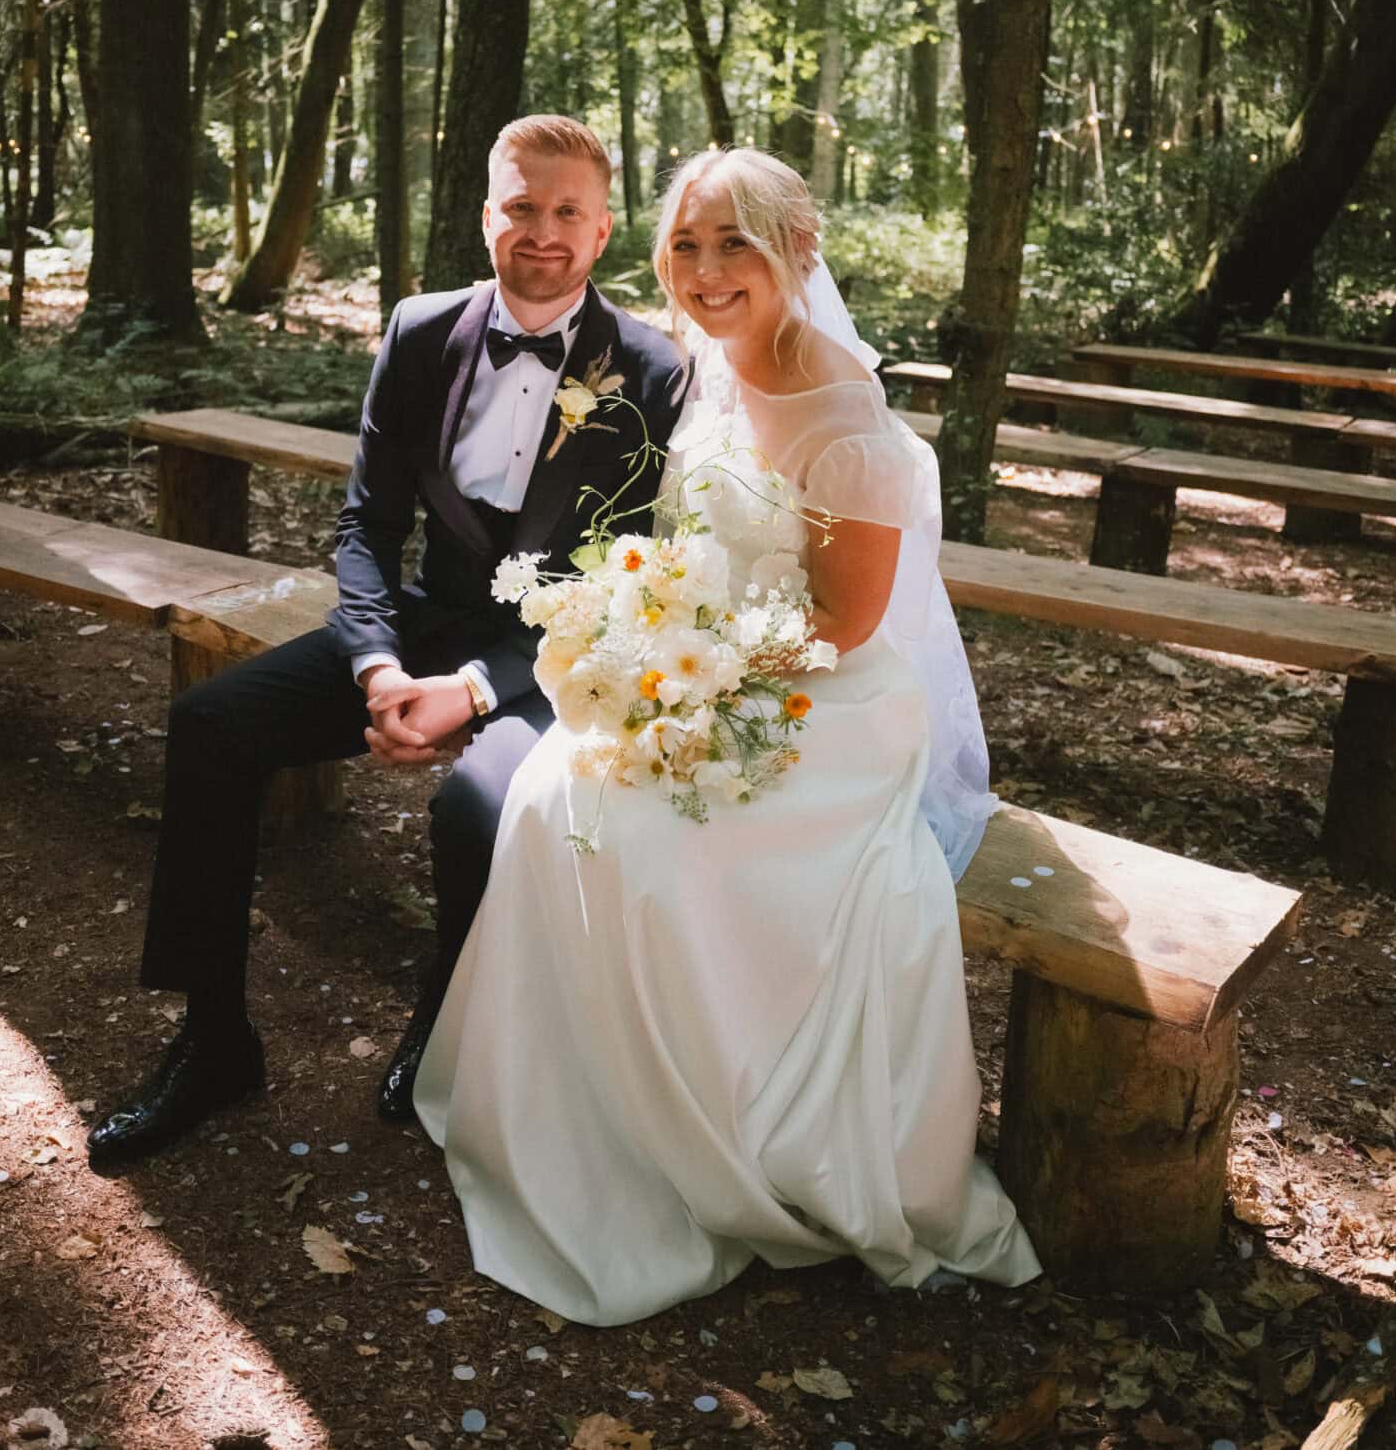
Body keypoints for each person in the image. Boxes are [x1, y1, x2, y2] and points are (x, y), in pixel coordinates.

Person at [413, 147, 1041, 1324]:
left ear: (798, 251)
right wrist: (638, 634)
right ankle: (584, 1114)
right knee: (549, 793)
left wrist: (685, 664)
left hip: (823, 703)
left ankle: (703, 1135)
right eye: (687, 245)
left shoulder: (848, 422)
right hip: (704, 661)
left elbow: (844, 625)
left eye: (735, 244)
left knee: (643, 841)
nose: (705, 271)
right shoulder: (704, 364)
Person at [87, 116, 691, 1168]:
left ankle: (443, 1028)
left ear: (602, 232)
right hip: (419, 623)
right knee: (212, 725)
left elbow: (622, 583)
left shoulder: (652, 369)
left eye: (567, 213)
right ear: (487, 216)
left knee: (478, 807)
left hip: (558, 660)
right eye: (522, 207)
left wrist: (475, 689)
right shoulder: (419, 331)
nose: (542, 232)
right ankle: (214, 1040)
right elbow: (366, 525)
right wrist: (376, 664)